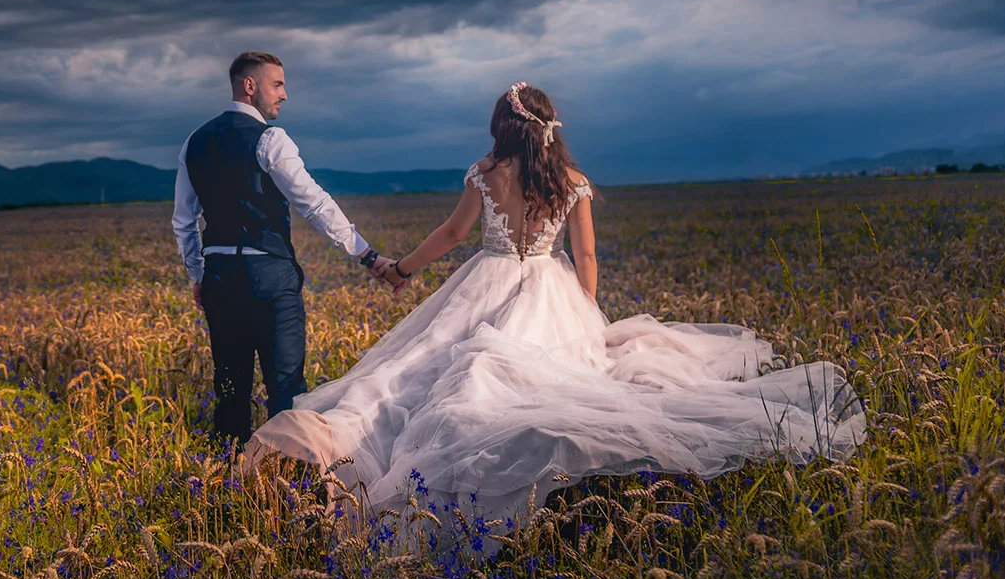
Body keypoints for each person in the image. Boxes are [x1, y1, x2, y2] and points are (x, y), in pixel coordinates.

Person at [244, 80, 867, 528]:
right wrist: (586, 316)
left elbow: (454, 234)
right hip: (551, 287)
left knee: (422, 369)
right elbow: (586, 256)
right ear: (548, 127)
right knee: (540, 375)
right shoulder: (572, 182)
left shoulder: (486, 173)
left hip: (483, 282)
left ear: (504, 127)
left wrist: (401, 269)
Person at [173, 51, 401, 446]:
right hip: (269, 278)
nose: (284, 94)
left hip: (220, 278)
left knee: (230, 387)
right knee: (287, 387)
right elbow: (313, 202)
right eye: (277, 84)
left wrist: (198, 275)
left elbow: (183, 221)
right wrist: (366, 255)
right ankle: (288, 474)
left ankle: (229, 473)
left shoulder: (195, 142)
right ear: (250, 86)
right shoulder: (270, 139)